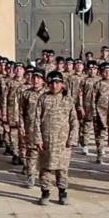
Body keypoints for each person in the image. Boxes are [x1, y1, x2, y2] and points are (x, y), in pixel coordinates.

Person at [32, 71, 78, 206]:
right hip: (46, 140)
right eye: (51, 82)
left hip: (63, 142)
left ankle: (62, 193)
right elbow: (36, 120)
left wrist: (72, 138)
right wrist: (38, 139)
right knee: (45, 168)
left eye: (57, 82)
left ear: (62, 84)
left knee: (62, 169)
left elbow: (74, 120)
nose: (54, 85)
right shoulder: (43, 98)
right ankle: (45, 193)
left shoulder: (68, 100)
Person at [21, 68, 47, 188]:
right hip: (30, 127)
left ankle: (44, 177)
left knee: (45, 153)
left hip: (45, 128)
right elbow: (21, 112)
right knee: (32, 152)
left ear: (43, 80)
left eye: (38, 78)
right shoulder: (26, 93)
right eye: (34, 78)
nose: (35, 80)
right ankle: (31, 175)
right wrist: (22, 126)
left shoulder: (47, 94)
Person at [93, 62, 109, 165]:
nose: (107, 73)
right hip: (100, 113)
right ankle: (100, 154)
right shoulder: (98, 84)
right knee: (100, 135)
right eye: (105, 71)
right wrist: (94, 113)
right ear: (101, 73)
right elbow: (93, 100)